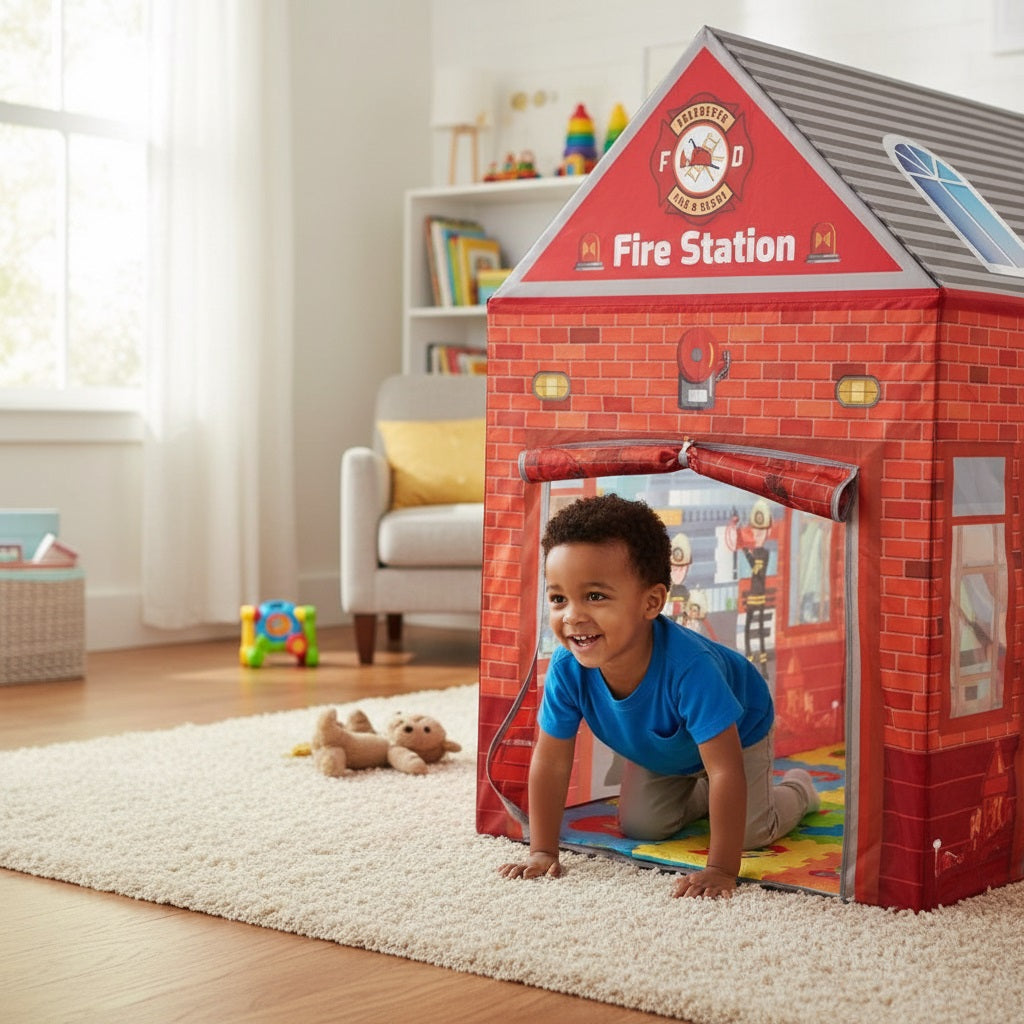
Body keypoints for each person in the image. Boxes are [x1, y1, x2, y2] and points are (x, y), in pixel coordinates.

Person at [497, 492, 819, 899]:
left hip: (739, 733)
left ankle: (799, 790)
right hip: (663, 752)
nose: (572, 615)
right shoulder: (567, 668)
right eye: (559, 598)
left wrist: (721, 869)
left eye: (595, 596)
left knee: (752, 833)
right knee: (641, 825)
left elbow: (724, 769)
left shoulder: (690, 668)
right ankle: (699, 792)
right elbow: (551, 759)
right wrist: (542, 850)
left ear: (651, 602)